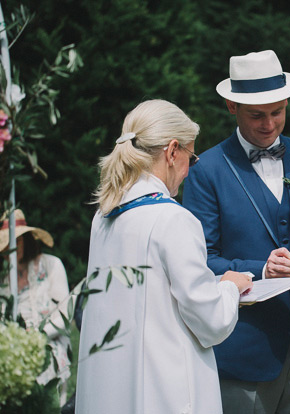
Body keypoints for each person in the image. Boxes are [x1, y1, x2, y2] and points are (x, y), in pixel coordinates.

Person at [182, 50, 290, 414]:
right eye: (257, 115)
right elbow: (200, 259)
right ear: (231, 107)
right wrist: (258, 269)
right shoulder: (206, 169)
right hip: (243, 347)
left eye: (278, 112)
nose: (269, 124)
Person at [75, 100, 252, 414]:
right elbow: (209, 320)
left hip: (113, 387)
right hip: (167, 391)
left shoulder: (103, 217)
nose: (188, 171)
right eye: (191, 157)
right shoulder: (174, 219)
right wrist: (229, 287)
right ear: (173, 151)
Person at [0, 209, 71, 404]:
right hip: (14, 352)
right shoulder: (3, 280)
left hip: (49, 344)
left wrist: (37, 336)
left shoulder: (51, 266)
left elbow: (65, 316)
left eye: (18, 241)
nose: (12, 248)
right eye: (7, 244)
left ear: (28, 239)